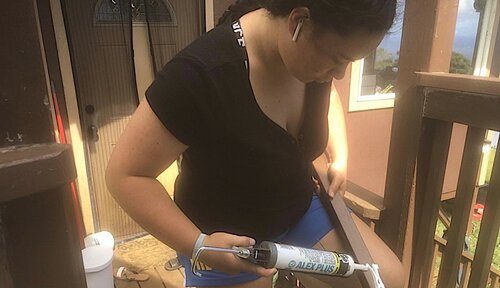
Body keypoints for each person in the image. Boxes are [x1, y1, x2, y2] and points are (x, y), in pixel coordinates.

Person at [106, 0, 404, 287]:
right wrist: (199, 245)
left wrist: (339, 154)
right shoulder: (201, 75)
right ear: (298, 21)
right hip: (226, 241)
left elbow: (329, 97)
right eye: (338, 60)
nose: (339, 74)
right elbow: (126, 175)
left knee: (387, 279)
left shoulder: (314, 66)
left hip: (296, 210)